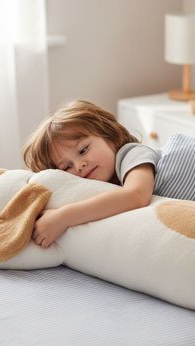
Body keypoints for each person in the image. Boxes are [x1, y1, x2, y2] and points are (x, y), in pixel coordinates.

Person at [23, 99, 160, 249]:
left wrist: (63, 217)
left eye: (83, 150)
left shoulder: (132, 154)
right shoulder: (102, 188)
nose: (79, 165)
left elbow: (137, 195)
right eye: (67, 166)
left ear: (111, 137)